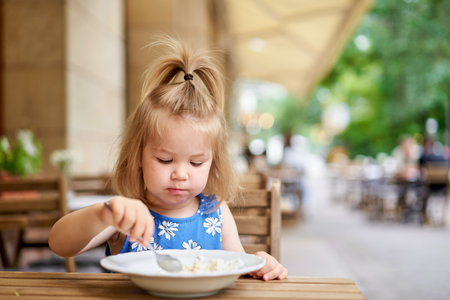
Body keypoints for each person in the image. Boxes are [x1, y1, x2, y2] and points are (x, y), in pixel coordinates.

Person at [49, 36, 287, 281]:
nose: (180, 174)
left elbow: (238, 266)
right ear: (138, 156)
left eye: (196, 163)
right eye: (165, 160)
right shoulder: (127, 216)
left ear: (213, 162)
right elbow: (59, 244)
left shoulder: (216, 212)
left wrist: (259, 262)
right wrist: (102, 214)